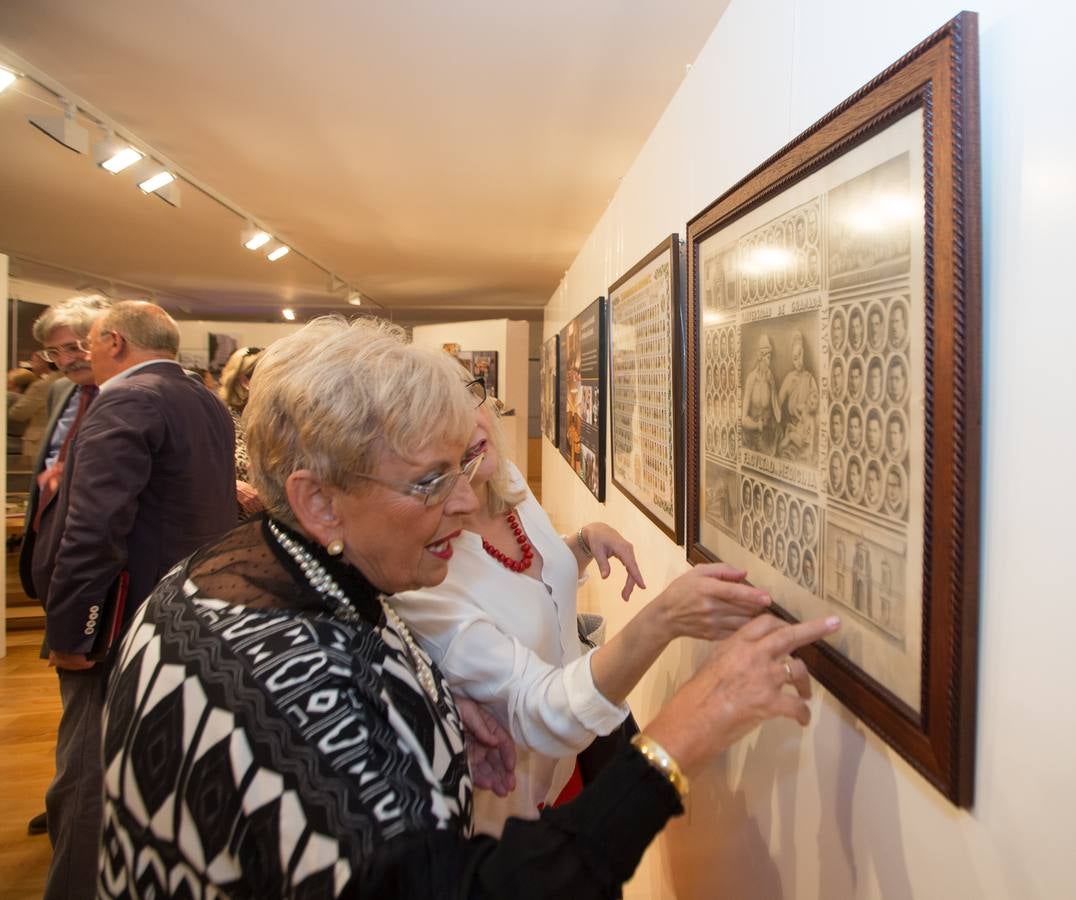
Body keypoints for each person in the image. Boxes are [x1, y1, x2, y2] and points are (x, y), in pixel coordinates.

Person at [99, 316, 840, 898]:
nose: (462, 504)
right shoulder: (299, 692)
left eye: (465, 465)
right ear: (319, 500)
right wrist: (686, 731)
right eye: (428, 481)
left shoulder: (227, 570)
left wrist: (437, 707)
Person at [395, 393, 774, 835]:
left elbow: (530, 587)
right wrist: (664, 618)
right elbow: (537, 709)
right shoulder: (422, 571)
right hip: (507, 810)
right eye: (438, 419)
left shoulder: (507, 484)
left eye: (467, 398)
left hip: (568, 770)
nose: (468, 425)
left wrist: (577, 544)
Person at [43, 301, 236, 900]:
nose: (83, 356)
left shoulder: (127, 399)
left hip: (120, 626)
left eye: (89, 344)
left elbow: (95, 530)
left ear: (116, 342)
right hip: (184, 611)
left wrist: (76, 632)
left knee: (87, 778)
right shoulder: (204, 400)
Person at [218, 345, 264, 517]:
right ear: (245, 381)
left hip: (275, 519)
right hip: (233, 520)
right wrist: (234, 487)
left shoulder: (276, 416)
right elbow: (195, 467)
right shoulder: (220, 417)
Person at [776, 331, 818, 461]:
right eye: (795, 358)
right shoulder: (789, 379)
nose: (798, 361)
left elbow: (818, 409)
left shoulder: (810, 379)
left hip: (807, 433)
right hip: (793, 430)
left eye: (800, 356)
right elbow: (777, 405)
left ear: (804, 353)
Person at [742, 334, 780, 454]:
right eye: (767, 358)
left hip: (768, 434)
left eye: (770, 358)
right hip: (753, 432)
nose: (769, 363)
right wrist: (757, 425)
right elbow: (743, 419)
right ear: (760, 358)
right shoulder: (751, 379)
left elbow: (778, 416)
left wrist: (773, 387)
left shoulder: (771, 378)